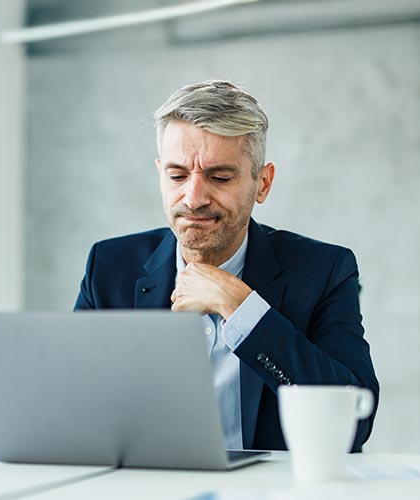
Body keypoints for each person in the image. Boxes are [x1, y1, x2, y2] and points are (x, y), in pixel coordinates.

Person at [73, 80, 378, 452]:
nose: (194, 197)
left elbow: (352, 422)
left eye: (219, 177)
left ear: (262, 184)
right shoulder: (108, 266)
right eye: (177, 175)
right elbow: (73, 406)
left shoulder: (325, 270)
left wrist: (243, 308)